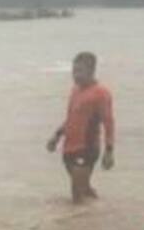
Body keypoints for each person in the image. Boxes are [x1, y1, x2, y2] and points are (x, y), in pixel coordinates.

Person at [46, 52, 116, 204]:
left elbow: (108, 123)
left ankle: (78, 226)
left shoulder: (101, 93)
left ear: (91, 71)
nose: (75, 75)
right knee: (84, 189)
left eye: (80, 71)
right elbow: (72, 118)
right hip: (69, 147)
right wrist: (57, 136)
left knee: (76, 197)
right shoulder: (75, 90)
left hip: (87, 148)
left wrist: (109, 151)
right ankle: (101, 212)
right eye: (74, 71)